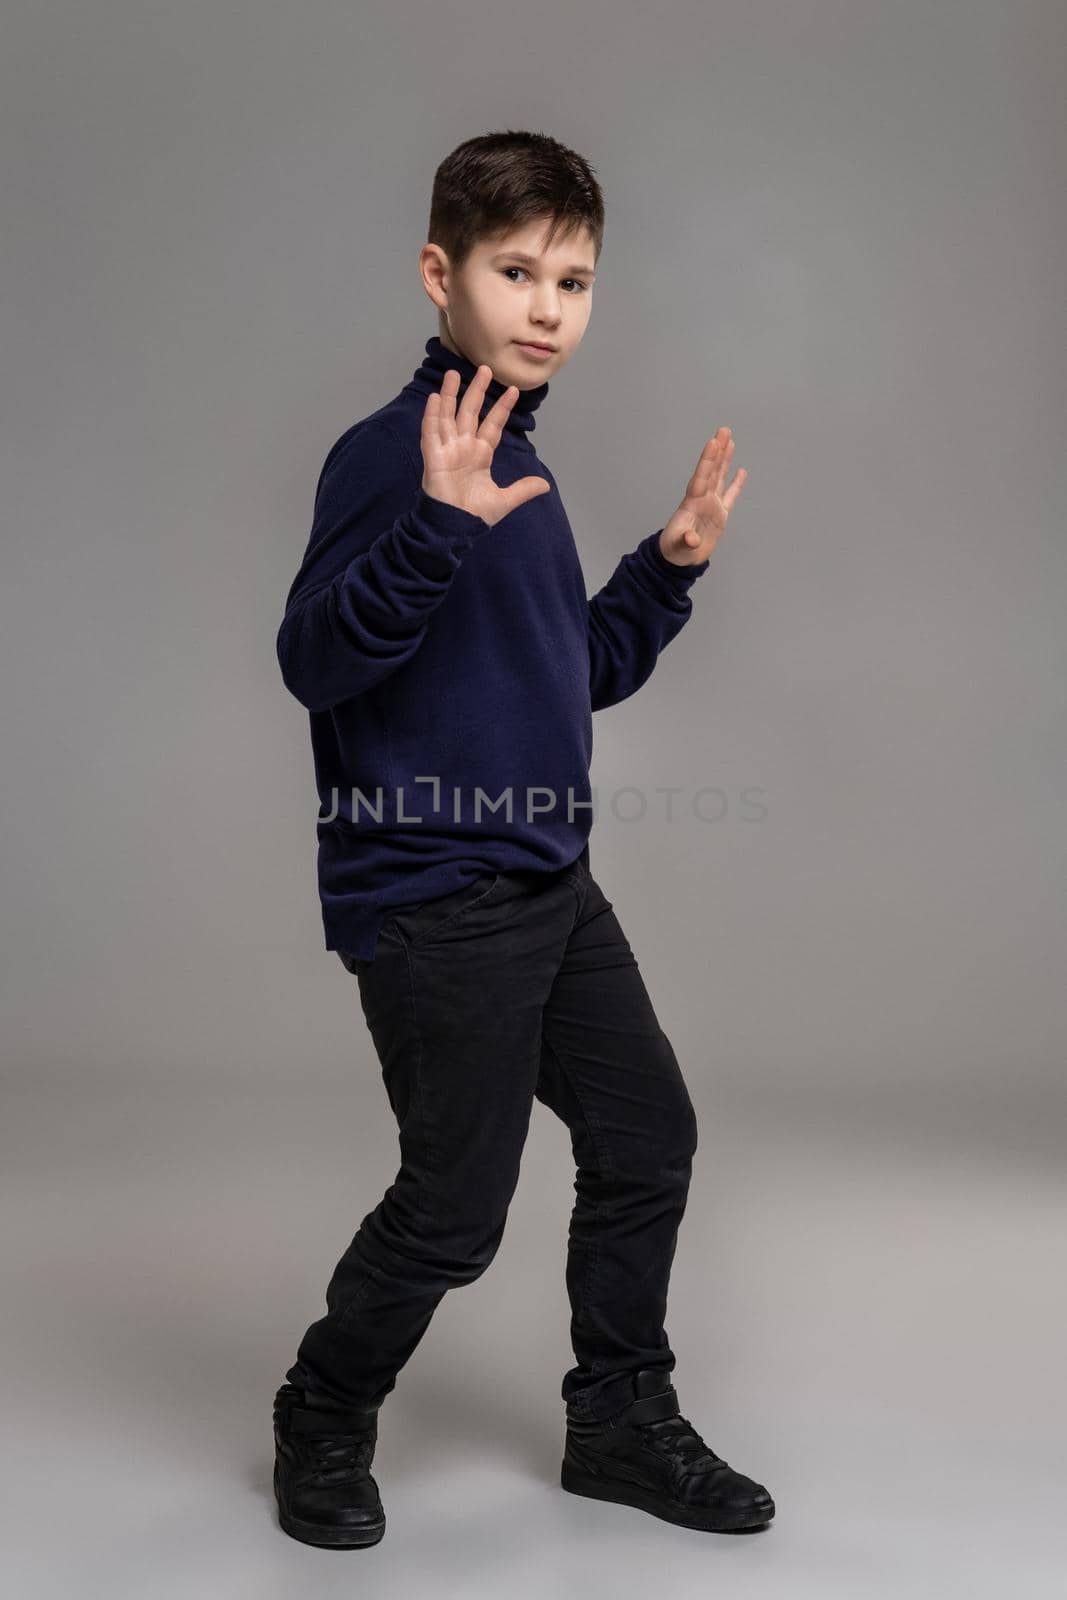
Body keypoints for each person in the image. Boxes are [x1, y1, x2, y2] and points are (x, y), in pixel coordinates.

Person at [271, 128, 773, 1549]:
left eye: (577, 278)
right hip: (434, 900)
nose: (549, 305)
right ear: (442, 275)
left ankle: (617, 1418)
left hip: (550, 880)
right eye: (516, 270)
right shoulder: (396, 460)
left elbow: (575, 673)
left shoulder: (520, 472)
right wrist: (430, 527)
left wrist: (665, 572)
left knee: (646, 1137)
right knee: (454, 1211)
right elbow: (314, 660)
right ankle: (321, 1412)